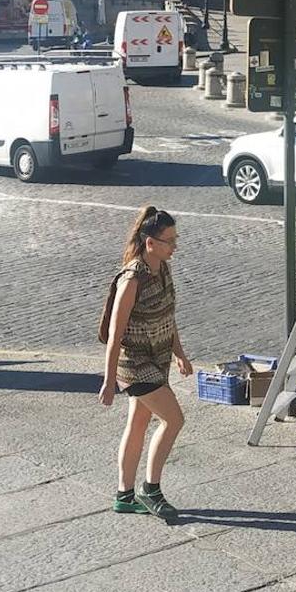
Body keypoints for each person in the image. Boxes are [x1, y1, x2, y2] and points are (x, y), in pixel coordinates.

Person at [99, 206, 192, 519]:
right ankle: (151, 490)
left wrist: (179, 353)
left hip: (159, 359)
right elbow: (115, 335)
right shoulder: (132, 278)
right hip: (137, 365)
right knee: (174, 419)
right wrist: (109, 382)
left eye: (175, 239)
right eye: (169, 240)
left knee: (138, 423)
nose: (174, 245)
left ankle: (124, 495)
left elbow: (168, 315)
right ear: (150, 243)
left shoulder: (162, 269)